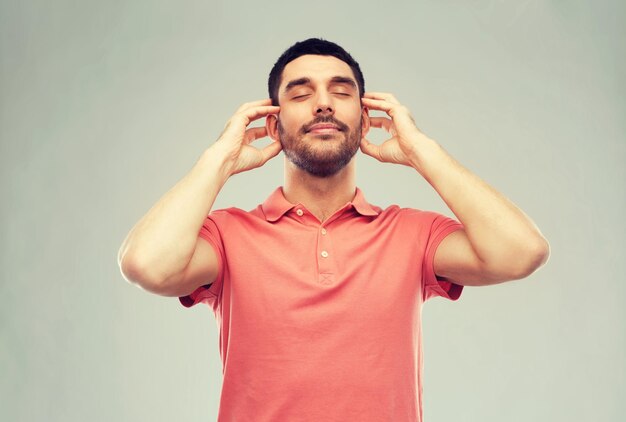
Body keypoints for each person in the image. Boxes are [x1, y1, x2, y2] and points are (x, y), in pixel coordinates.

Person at [118, 38, 550, 422]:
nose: (323, 104)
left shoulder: (410, 233)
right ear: (272, 125)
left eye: (341, 92)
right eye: (301, 93)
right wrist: (219, 160)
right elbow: (146, 265)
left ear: (365, 121)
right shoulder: (228, 235)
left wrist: (423, 151)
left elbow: (521, 252)